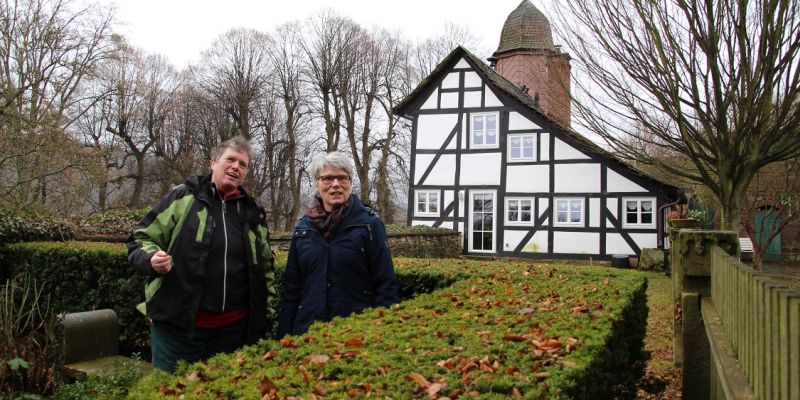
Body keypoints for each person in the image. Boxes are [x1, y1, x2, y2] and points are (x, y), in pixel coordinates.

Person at [127, 137, 276, 373]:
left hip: (233, 334)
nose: (236, 167)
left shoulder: (252, 211)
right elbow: (141, 239)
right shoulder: (184, 197)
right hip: (178, 330)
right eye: (230, 159)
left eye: (243, 164)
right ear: (213, 162)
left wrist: (265, 316)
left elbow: (265, 267)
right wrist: (151, 259)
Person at [277, 151, 399, 337]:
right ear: (316, 183)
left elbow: (386, 286)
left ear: (350, 183)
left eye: (342, 178)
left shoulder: (369, 226)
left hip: (355, 332)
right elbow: (292, 290)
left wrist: (381, 333)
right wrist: (284, 338)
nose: (336, 185)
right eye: (327, 179)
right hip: (308, 332)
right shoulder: (303, 229)